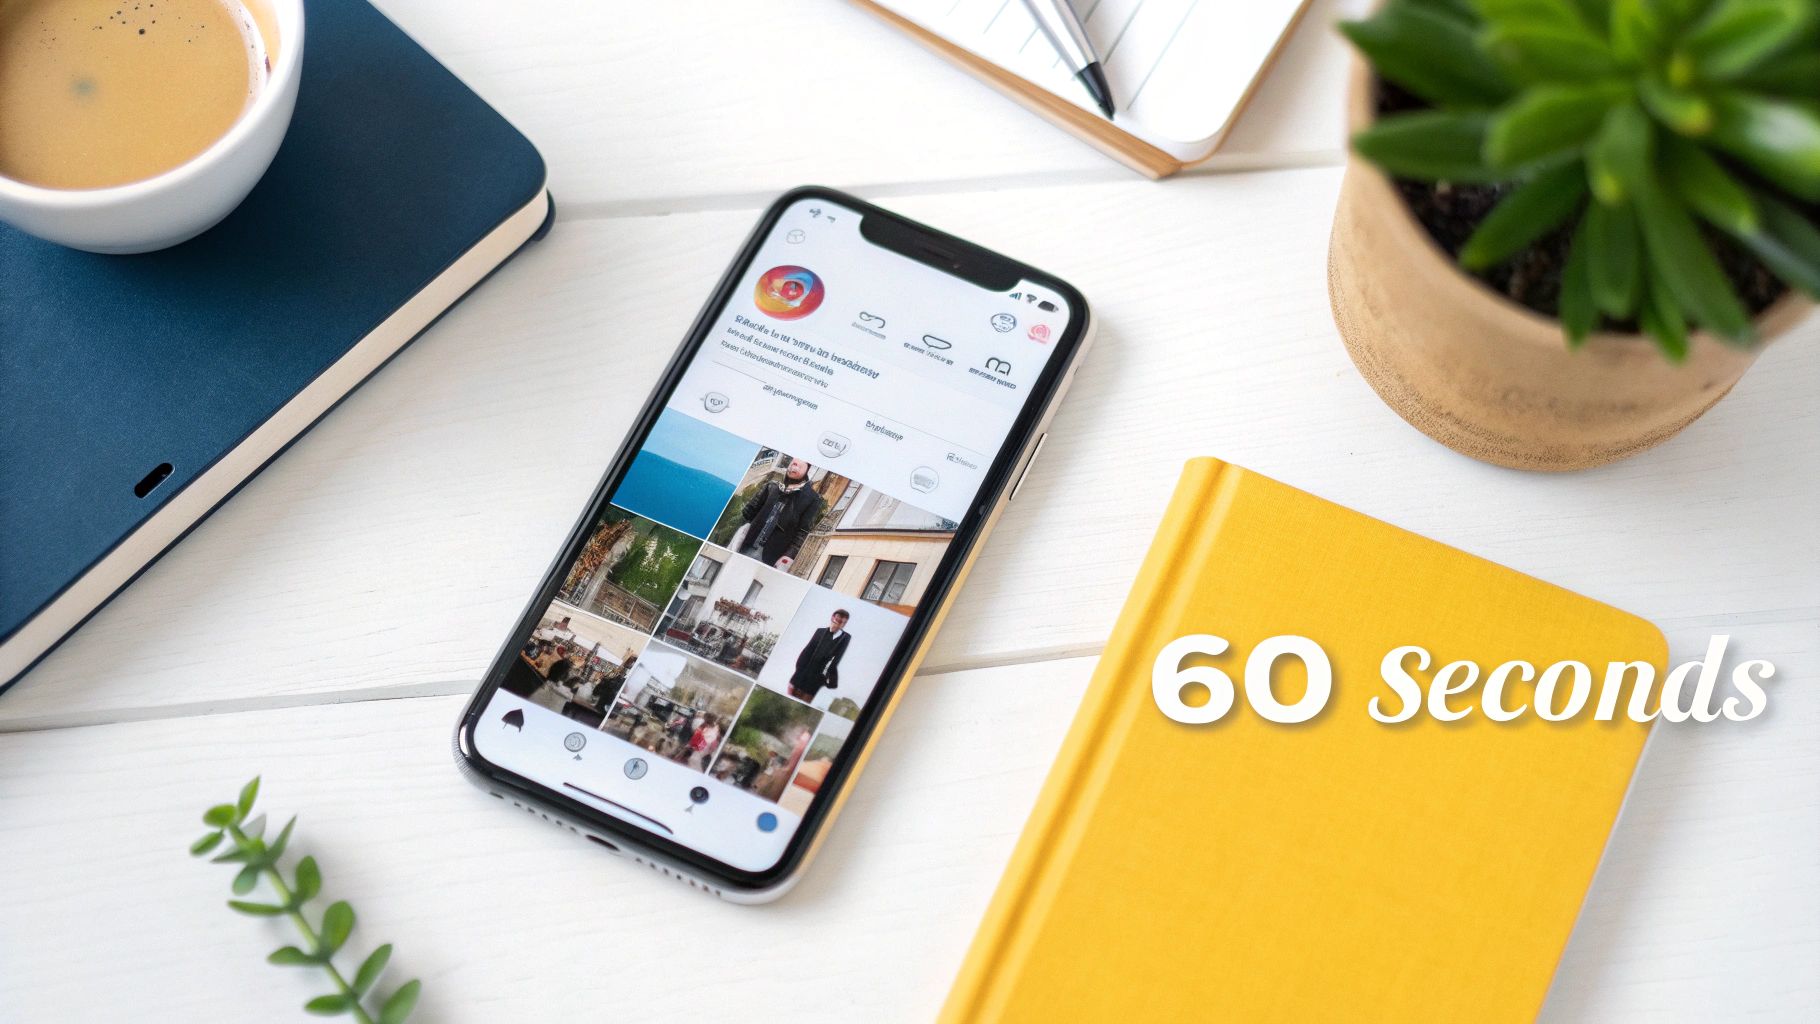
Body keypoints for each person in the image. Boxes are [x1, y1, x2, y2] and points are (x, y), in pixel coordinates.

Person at [737, 458, 825, 570]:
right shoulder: (772, 486)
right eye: (792, 464)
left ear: (808, 470)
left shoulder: (813, 499)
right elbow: (748, 513)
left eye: (799, 466)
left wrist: (788, 556)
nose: (793, 467)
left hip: (772, 557)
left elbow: (803, 532)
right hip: (747, 545)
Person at [789, 610, 850, 702]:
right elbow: (807, 650)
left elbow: (834, 660)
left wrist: (822, 678)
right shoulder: (820, 631)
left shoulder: (845, 638)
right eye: (838, 620)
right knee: (789, 698)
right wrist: (799, 669)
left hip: (817, 678)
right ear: (833, 618)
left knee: (804, 702)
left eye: (843, 622)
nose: (840, 623)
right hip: (802, 673)